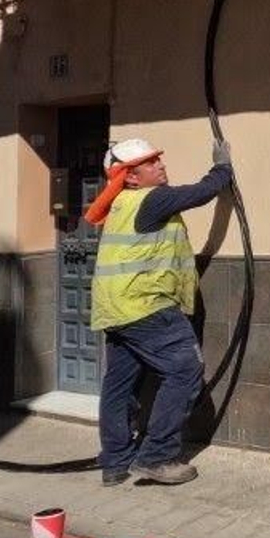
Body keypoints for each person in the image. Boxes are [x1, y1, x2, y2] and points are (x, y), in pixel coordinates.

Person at [86, 136, 233, 486]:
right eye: (150, 163)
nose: (160, 165)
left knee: (119, 384)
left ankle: (115, 461)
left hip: (117, 307)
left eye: (158, 160)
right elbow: (200, 192)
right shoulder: (152, 200)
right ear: (131, 177)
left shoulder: (121, 204)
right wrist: (222, 167)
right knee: (185, 369)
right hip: (145, 305)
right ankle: (156, 456)